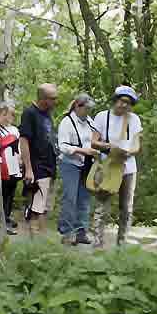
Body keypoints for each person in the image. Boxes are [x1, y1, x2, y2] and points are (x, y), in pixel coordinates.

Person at [90, 85, 143, 247]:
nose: (124, 105)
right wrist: (108, 147)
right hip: (108, 166)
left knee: (126, 207)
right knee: (102, 205)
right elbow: (93, 141)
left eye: (128, 102)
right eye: (122, 101)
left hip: (128, 168)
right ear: (115, 100)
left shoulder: (134, 119)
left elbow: (137, 145)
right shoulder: (102, 116)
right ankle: (97, 244)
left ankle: (122, 244)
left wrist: (129, 152)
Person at [57, 93, 100, 245]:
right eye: (86, 108)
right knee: (70, 197)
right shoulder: (67, 122)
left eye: (90, 109)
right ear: (77, 106)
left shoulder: (90, 121)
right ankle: (67, 232)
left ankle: (82, 231)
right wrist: (82, 151)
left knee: (84, 198)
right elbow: (62, 146)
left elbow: (96, 140)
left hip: (87, 165)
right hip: (70, 164)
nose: (88, 111)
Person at [19, 83, 59, 235]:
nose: (56, 102)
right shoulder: (30, 114)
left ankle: (43, 242)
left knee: (45, 208)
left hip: (49, 167)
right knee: (36, 209)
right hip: (37, 168)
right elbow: (23, 141)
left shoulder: (47, 114)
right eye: (53, 98)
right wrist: (29, 169)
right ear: (43, 99)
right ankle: (36, 243)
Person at [0, 101, 22, 233]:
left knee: (10, 193)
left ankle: (6, 216)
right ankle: (1, 219)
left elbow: (18, 147)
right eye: (8, 114)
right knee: (2, 193)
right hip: (1, 165)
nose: (10, 117)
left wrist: (20, 159)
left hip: (13, 165)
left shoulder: (14, 129)